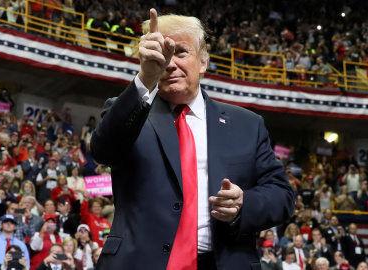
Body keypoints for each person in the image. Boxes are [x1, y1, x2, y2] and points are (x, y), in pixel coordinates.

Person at [90, 9, 294, 269]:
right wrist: (146, 79)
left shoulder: (247, 124)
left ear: (203, 62)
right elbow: (104, 151)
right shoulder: (127, 110)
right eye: (163, 53)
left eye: (181, 52)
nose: (170, 63)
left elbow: (282, 195)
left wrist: (244, 204)